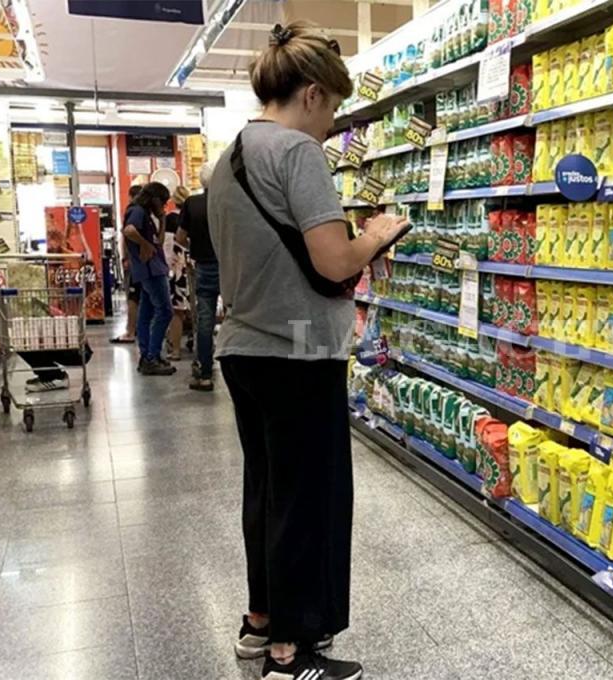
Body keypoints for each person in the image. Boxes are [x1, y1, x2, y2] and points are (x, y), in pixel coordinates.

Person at [208, 20, 409, 680]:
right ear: (313, 94)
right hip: (297, 352)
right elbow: (332, 261)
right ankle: (291, 654)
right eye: (334, 110)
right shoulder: (296, 153)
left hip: (244, 347)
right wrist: (377, 235)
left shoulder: (229, 157)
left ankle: (260, 623)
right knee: (306, 502)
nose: (331, 126)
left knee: (267, 490)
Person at [123, 181, 176, 375]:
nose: (164, 205)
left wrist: (162, 219)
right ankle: (152, 356)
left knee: (146, 313)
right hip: (151, 270)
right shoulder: (137, 211)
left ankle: (147, 355)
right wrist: (144, 244)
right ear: (154, 199)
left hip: (151, 268)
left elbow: (159, 242)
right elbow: (129, 230)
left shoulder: (146, 214)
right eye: (162, 201)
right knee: (165, 311)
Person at [176, 161, 219, 391]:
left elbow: (180, 238)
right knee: (237, 317)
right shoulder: (229, 202)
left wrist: (195, 246)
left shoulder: (192, 203)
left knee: (205, 320)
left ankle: (205, 374)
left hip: (204, 266)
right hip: (231, 266)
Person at [112, 184, 144, 344]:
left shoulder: (133, 211)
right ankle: (139, 328)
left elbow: (127, 234)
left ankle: (131, 330)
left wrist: (125, 257)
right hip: (146, 263)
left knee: (133, 297)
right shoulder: (145, 212)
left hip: (135, 262)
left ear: (131, 196)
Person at [163, 186, 192, 361]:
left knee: (177, 311)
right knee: (197, 309)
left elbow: (167, 247)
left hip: (177, 269)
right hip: (193, 266)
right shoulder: (194, 217)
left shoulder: (169, 219)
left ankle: (175, 350)